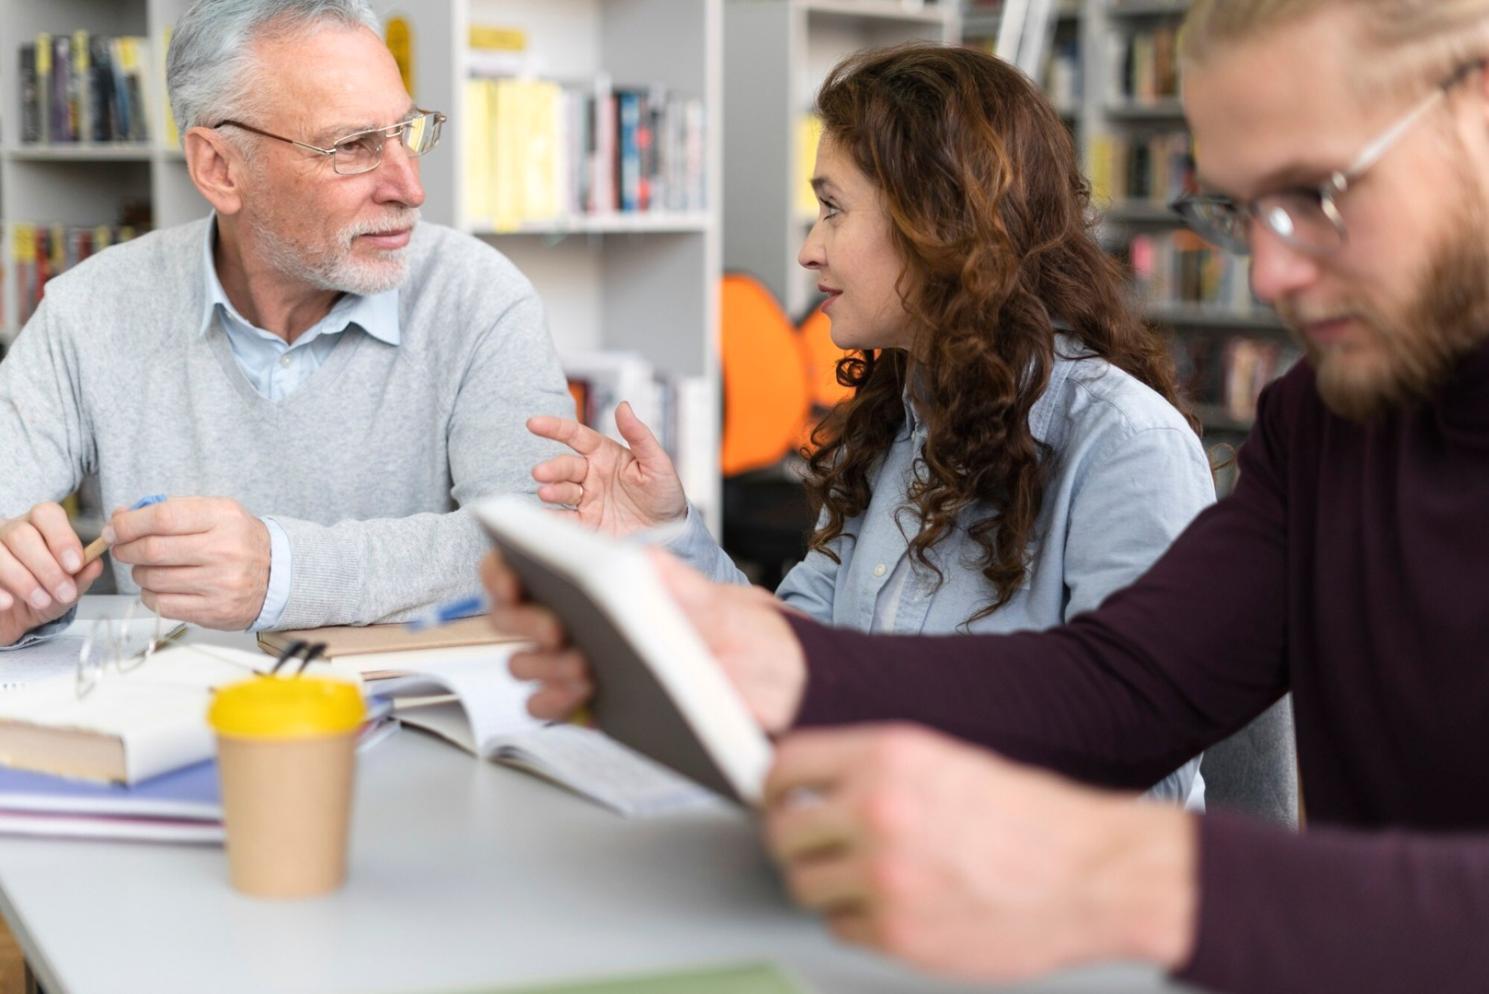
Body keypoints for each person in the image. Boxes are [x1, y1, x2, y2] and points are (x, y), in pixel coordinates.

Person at [486, 1, 1489, 991]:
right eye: (1236, 211)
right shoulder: (1324, 423)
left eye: (1313, 191)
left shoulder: (1125, 435)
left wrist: (1118, 872)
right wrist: (756, 653)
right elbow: (1126, 687)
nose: (1268, 271)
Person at [524, 45, 1213, 804]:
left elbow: (1142, 778)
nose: (808, 248)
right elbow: (793, 658)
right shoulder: (905, 417)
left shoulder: (1124, 446)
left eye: (832, 208)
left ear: (938, 220)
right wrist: (663, 537)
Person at [0, 0, 570, 649]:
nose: (409, 187)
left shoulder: (477, 296)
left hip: (417, 724)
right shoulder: (90, 309)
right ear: (219, 167)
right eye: (352, 146)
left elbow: (536, 543)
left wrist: (286, 573)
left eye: (405, 130)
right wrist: (19, 594)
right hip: (164, 720)